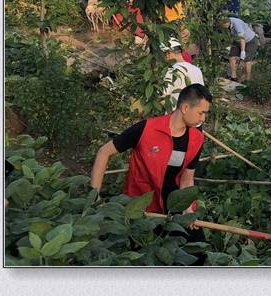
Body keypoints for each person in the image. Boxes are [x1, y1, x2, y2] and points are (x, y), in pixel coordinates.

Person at [89, 84, 211, 264]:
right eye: (201, 112)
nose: (204, 118)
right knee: (138, 257)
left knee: (198, 254)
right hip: (142, 206)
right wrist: (95, 197)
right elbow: (103, 152)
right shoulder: (146, 129)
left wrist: (188, 209)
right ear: (185, 108)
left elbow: (187, 180)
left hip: (173, 203)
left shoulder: (196, 138)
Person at [161, 38, 205, 113]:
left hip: (175, 117)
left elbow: (163, 98)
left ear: (169, 53)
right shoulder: (197, 70)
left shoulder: (170, 71)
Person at [221, 16, 260, 82]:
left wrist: (242, 51)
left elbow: (242, 38)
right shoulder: (228, 21)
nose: (223, 27)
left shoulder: (237, 24)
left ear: (227, 23)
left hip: (250, 41)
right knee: (232, 57)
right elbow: (233, 35)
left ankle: (248, 80)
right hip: (237, 41)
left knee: (247, 60)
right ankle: (234, 78)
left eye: (223, 26)